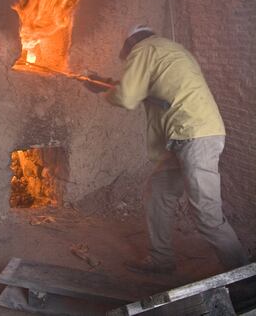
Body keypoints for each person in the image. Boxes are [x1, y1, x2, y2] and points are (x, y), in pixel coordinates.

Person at [87, 25, 248, 274]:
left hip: (195, 137)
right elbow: (142, 90)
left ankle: (242, 272)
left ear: (132, 43)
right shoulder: (168, 51)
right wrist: (100, 83)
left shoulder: (144, 49)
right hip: (184, 136)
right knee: (159, 193)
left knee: (206, 213)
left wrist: (108, 93)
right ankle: (161, 258)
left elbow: (128, 97)